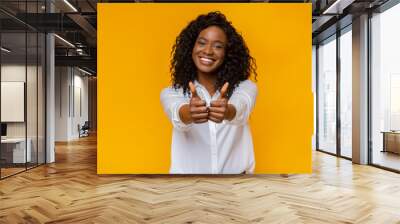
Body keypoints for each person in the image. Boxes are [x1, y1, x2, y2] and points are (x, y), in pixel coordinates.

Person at [160, 11, 258, 174]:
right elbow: (177, 112)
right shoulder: (171, 92)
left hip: (237, 186)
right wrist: (189, 113)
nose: (208, 51)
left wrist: (228, 111)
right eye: (202, 43)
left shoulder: (245, 87)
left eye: (218, 46)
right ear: (191, 47)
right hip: (186, 188)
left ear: (228, 53)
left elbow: (241, 107)